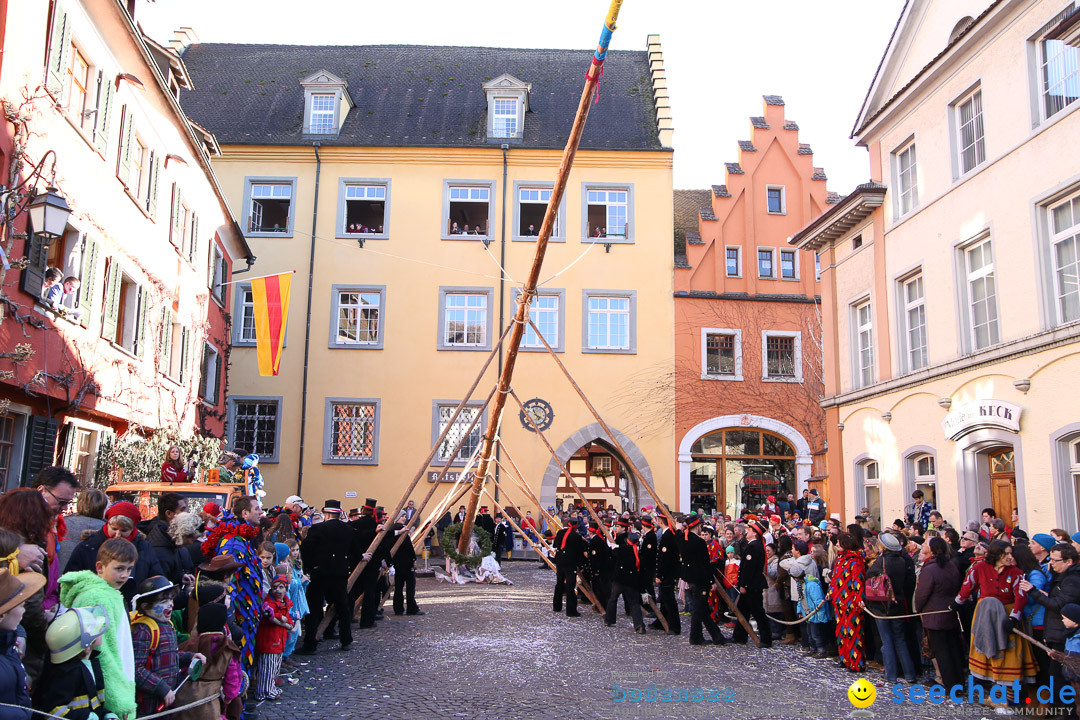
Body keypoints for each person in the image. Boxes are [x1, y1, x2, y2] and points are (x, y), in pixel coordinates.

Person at [58, 539, 137, 719]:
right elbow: (103, 653)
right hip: (105, 697)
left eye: (129, 569)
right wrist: (119, 701)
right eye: (119, 569)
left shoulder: (110, 593)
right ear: (100, 567)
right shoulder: (97, 598)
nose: (125, 575)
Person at [956, 539, 1036, 689]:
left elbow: (1021, 596)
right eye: (1006, 554)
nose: (1010, 557)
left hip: (1007, 615)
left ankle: (1009, 699)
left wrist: (1014, 617)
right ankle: (996, 695)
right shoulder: (980, 568)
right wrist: (957, 602)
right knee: (987, 653)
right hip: (985, 616)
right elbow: (968, 586)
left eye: (1010, 554)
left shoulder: (1016, 573)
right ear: (996, 555)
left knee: (1009, 654)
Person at [200, 495, 264, 673]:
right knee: (238, 662)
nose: (261, 512)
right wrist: (232, 618)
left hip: (248, 614)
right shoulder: (234, 542)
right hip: (240, 615)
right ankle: (237, 696)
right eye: (257, 509)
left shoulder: (244, 538)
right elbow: (229, 580)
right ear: (245, 513)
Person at [66, 502, 163, 608]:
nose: (117, 535)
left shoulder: (144, 548)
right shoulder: (88, 546)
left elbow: (156, 580)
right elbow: (71, 581)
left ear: (133, 529)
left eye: (124, 531)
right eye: (114, 529)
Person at [1021, 543, 1080, 712]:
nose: (1051, 563)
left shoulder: (1073, 580)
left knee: (1061, 679)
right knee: (1057, 677)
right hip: (1058, 632)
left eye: (1055, 560)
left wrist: (1033, 591)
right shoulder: (1064, 576)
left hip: (1065, 635)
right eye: (1051, 559)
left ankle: (1068, 714)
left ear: (1069, 561)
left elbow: (1058, 604)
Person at [130, 576, 201, 716]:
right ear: (145, 607)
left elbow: (169, 657)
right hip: (148, 704)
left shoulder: (167, 625)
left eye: (170, 600)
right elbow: (137, 669)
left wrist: (189, 657)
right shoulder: (144, 630)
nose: (170, 605)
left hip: (166, 701)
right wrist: (162, 688)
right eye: (163, 601)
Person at [296, 500, 358, 654]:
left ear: (326, 513)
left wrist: (310, 568)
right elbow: (354, 551)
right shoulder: (348, 529)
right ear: (338, 513)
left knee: (315, 609)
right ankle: (346, 639)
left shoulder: (317, 528)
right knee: (342, 608)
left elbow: (306, 550)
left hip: (320, 574)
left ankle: (310, 644)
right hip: (340, 573)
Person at [35, 605, 110, 720]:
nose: (100, 630)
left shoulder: (89, 664)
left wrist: (107, 715)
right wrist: (88, 717)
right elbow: (51, 710)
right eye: (96, 629)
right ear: (86, 646)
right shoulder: (67, 673)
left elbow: (94, 703)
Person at [866, 532, 918, 684]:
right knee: (900, 639)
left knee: (886, 640)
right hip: (898, 603)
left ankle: (891, 675)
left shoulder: (881, 561)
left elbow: (868, 574)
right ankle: (909, 674)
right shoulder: (902, 561)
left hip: (882, 604)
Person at [176, 603, 243, 720]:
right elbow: (233, 676)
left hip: (184, 697)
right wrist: (229, 695)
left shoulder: (188, 645)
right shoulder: (227, 648)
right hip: (209, 700)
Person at [0, 569, 45, 720]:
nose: (24, 611)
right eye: (21, 606)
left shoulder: (8, 647)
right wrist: (22, 714)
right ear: (1, 616)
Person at [677, 514, 725, 646]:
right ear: (697, 526)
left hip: (690, 576)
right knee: (699, 610)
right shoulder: (699, 542)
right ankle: (695, 637)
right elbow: (705, 564)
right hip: (700, 578)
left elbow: (678, 536)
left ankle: (717, 637)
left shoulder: (682, 539)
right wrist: (711, 581)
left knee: (702, 608)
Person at [831, 532, 867, 672]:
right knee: (841, 632)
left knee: (853, 632)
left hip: (851, 602)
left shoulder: (855, 560)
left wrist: (859, 600)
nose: (836, 545)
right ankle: (845, 658)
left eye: (839, 542)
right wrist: (831, 592)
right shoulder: (840, 559)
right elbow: (835, 578)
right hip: (839, 601)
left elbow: (858, 582)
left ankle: (856, 662)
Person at [254, 574, 293, 702]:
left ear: (286, 589)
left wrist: (290, 623)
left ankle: (270, 688)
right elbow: (267, 617)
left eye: (281, 587)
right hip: (269, 641)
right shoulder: (268, 603)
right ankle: (263, 691)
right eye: (275, 587)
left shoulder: (285, 602)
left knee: (274, 668)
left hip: (279, 641)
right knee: (267, 669)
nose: (278, 590)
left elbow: (288, 617)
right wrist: (279, 617)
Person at [603, 520, 645, 634]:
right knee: (634, 603)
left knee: (613, 599)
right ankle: (639, 625)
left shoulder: (622, 550)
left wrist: (613, 546)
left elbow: (614, 551)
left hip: (619, 580)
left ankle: (609, 620)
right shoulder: (637, 553)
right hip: (631, 581)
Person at [56, 488, 107, 573]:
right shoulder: (108, 529)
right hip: (95, 581)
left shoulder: (63, 523)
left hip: (62, 578)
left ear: (79, 503)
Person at [552, 518, 586, 617]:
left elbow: (555, 544)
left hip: (560, 561)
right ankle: (571, 611)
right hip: (570, 563)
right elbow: (581, 549)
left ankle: (557, 606)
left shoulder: (560, 533)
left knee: (559, 583)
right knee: (570, 587)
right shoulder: (576, 536)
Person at [654, 518, 681, 635]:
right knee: (664, 600)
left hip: (667, 574)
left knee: (669, 601)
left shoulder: (667, 536)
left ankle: (675, 626)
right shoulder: (669, 535)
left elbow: (665, 559)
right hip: (668, 573)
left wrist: (659, 575)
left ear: (660, 522)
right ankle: (662, 622)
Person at [390, 523, 423, 616]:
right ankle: (411, 608)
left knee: (398, 587)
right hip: (407, 564)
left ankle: (398, 608)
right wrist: (413, 560)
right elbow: (410, 549)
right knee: (410, 587)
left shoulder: (392, 536)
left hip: (397, 564)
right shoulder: (404, 536)